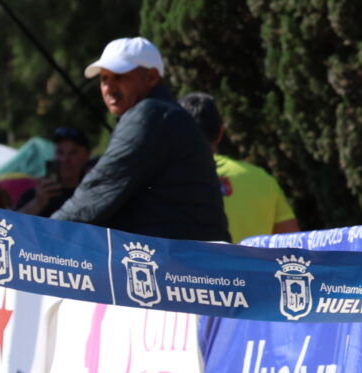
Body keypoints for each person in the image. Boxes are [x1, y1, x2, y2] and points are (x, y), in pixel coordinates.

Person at [49, 37, 229, 242]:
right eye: (104, 79)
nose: (109, 87)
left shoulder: (150, 114)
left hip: (178, 257)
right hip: (192, 254)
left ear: (152, 77)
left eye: (119, 76)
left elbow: (97, 192)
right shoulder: (167, 114)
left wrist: (41, 237)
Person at [176, 92, 300, 242]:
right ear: (220, 133)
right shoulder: (262, 179)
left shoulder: (168, 181)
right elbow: (291, 243)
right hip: (253, 258)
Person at [25, 126, 94, 217]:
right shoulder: (37, 194)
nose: (65, 159)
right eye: (60, 152)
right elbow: (11, 222)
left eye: (73, 153)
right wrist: (37, 204)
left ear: (87, 156)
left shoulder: (93, 193)